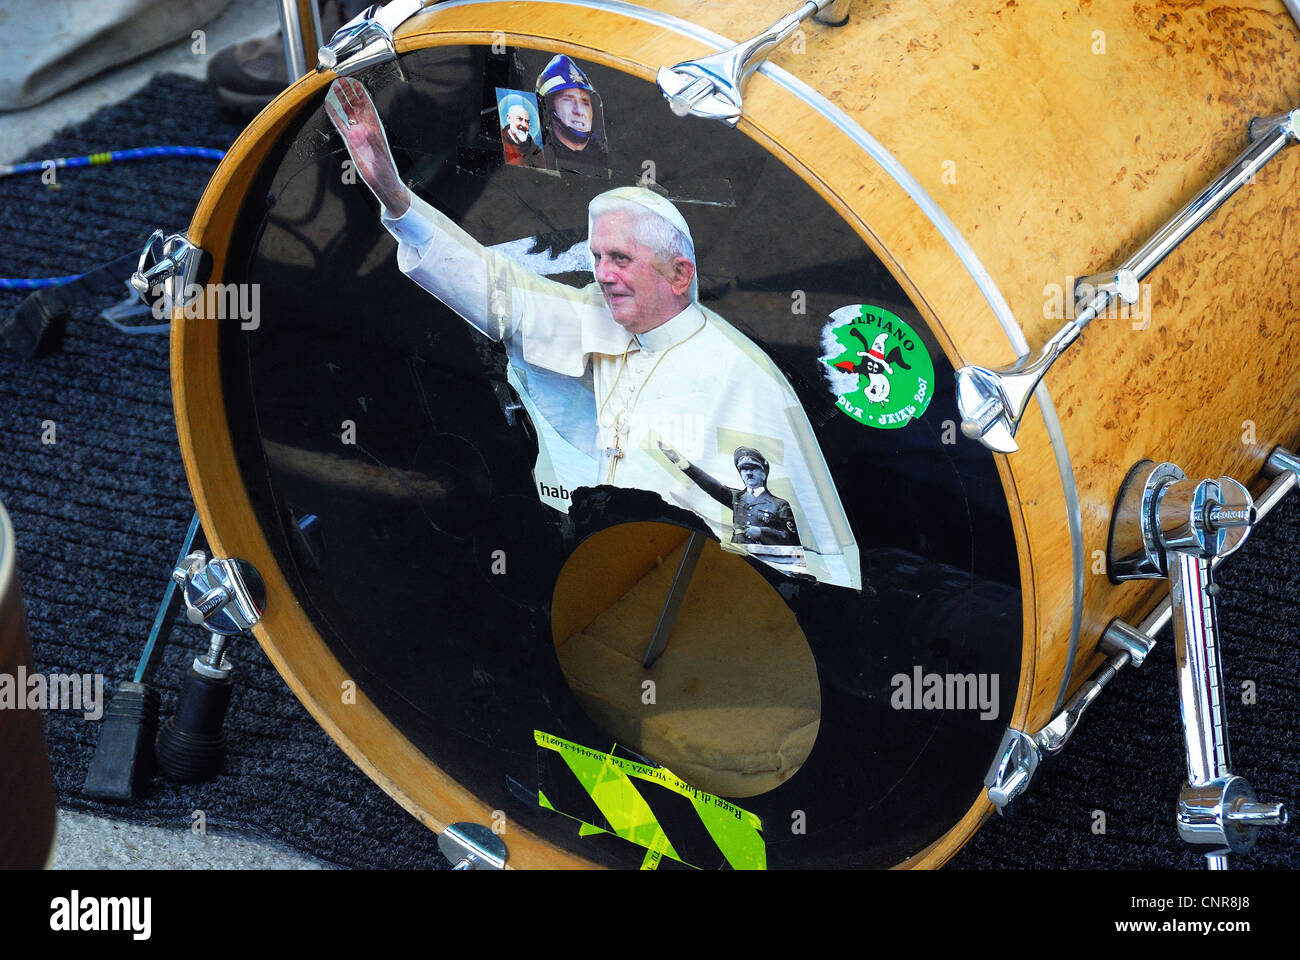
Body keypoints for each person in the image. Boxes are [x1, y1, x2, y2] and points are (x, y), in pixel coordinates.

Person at [324, 76, 859, 590]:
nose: (602, 273)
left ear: (679, 273)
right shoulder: (603, 319)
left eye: (620, 259)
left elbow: (782, 559)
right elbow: (500, 295)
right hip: (610, 573)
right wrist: (395, 197)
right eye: (598, 256)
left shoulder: (742, 379)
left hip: (706, 602)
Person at [535, 55, 608, 174]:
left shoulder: (607, 159)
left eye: (585, 103)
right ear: (547, 107)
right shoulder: (535, 158)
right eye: (568, 100)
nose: (579, 111)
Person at [498, 94, 543, 168]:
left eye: (527, 122)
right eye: (519, 119)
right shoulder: (501, 141)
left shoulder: (535, 149)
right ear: (509, 118)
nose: (524, 125)